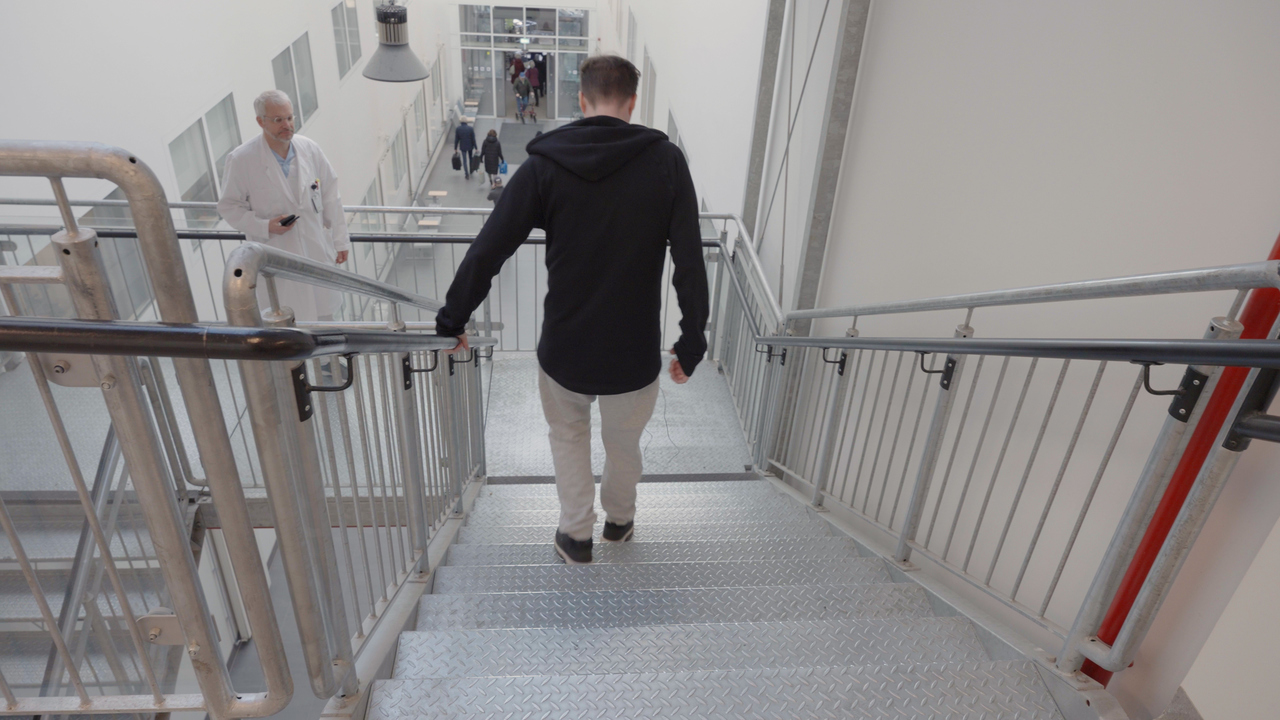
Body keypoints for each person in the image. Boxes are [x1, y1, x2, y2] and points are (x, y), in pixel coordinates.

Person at [435, 55, 708, 565]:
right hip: (634, 351)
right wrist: (692, 342)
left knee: (569, 437)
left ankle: (576, 536)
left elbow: (490, 248)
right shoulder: (666, 162)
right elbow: (690, 259)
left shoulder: (545, 166)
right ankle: (620, 522)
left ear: (581, 102)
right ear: (631, 103)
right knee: (624, 441)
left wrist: (452, 318)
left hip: (565, 347)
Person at [217, 89, 350, 322]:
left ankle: (326, 360)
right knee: (287, 320)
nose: (287, 124)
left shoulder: (309, 148)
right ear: (261, 121)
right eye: (278, 120)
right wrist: (264, 226)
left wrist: (340, 240)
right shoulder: (242, 159)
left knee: (325, 321)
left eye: (289, 117)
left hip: (316, 249)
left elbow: (331, 195)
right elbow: (229, 207)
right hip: (276, 253)